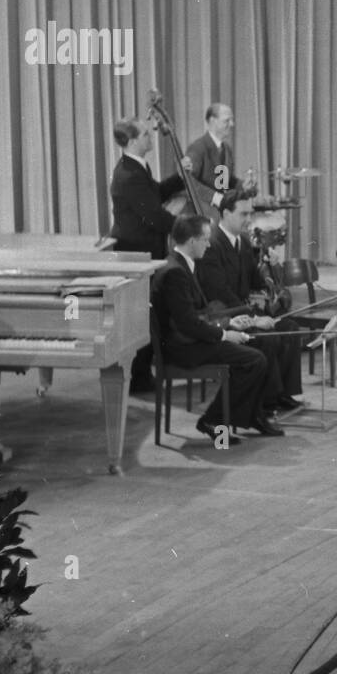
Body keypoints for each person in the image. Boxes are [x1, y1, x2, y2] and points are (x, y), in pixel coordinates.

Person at [151, 213, 280, 444]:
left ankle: (253, 415)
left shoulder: (184, 264)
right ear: (192, 241)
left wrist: (230, 322)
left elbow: (199, 314)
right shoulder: (174, 272)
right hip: (182, 348)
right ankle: (212, 420)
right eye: (205, 239)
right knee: (254, 360)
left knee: (264, 342)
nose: (209, 244)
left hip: (191, 339)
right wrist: (224, 335)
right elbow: (188, 324)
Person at [196, 190, 305, 416]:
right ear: (225, 213)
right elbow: (219, 291)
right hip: (226, 316)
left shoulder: (243, 242)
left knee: (290, 329)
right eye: (243, 214)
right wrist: (254, 317)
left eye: (250, 214)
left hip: (244, 310)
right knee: (266, 338)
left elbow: (255, 280)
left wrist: (271, 267)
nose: (248, 219)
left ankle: (283, 393)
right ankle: (265, 400)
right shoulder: (212, 244)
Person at [109, 115, 193, 393]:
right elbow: (156, 216)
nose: (150, 136)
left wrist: (179, 178)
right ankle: (139, 377)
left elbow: (155, 193)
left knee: (148, 313)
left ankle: (145, 372)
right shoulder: (129, 175)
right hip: (136, 254)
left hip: (145, 252)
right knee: (142, 314)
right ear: (132, 141)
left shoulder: (136, 168)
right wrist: (190, 230)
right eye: (145, 134)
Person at [186, 102, 255, 218]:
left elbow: (224, 181)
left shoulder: (226, 149)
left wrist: (243, 185)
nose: (232, 124)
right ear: (213, 121)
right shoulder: (198, 147)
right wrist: (214, 197)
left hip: (221, 209)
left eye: (232, 120)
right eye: (227, 121)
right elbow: (188, 180)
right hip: (203, 212)